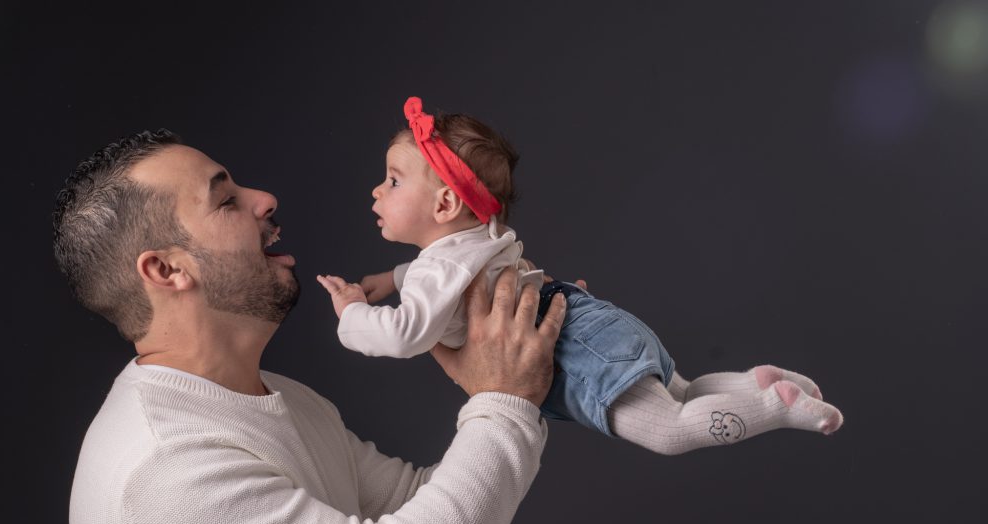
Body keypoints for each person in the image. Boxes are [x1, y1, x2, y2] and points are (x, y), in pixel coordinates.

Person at [54, 128, 566, 524]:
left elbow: (421, 505)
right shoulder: (163, 465)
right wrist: (505, 400)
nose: (264, 199)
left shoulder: (284, 399)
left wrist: (524, 376)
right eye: (226, 200)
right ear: (167, 271)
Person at [317, 97, 844, 456]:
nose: (376, 192)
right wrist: (392, 277)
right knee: (680, 392)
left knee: (669, 431)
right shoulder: (477, 241)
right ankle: (752, 381)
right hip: (591, 322)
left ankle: (773, 408)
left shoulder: (441, 267)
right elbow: (443, 273)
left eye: (392, 180)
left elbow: (407, 332)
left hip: (573, 352)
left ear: (446, 202)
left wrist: (353, 314)